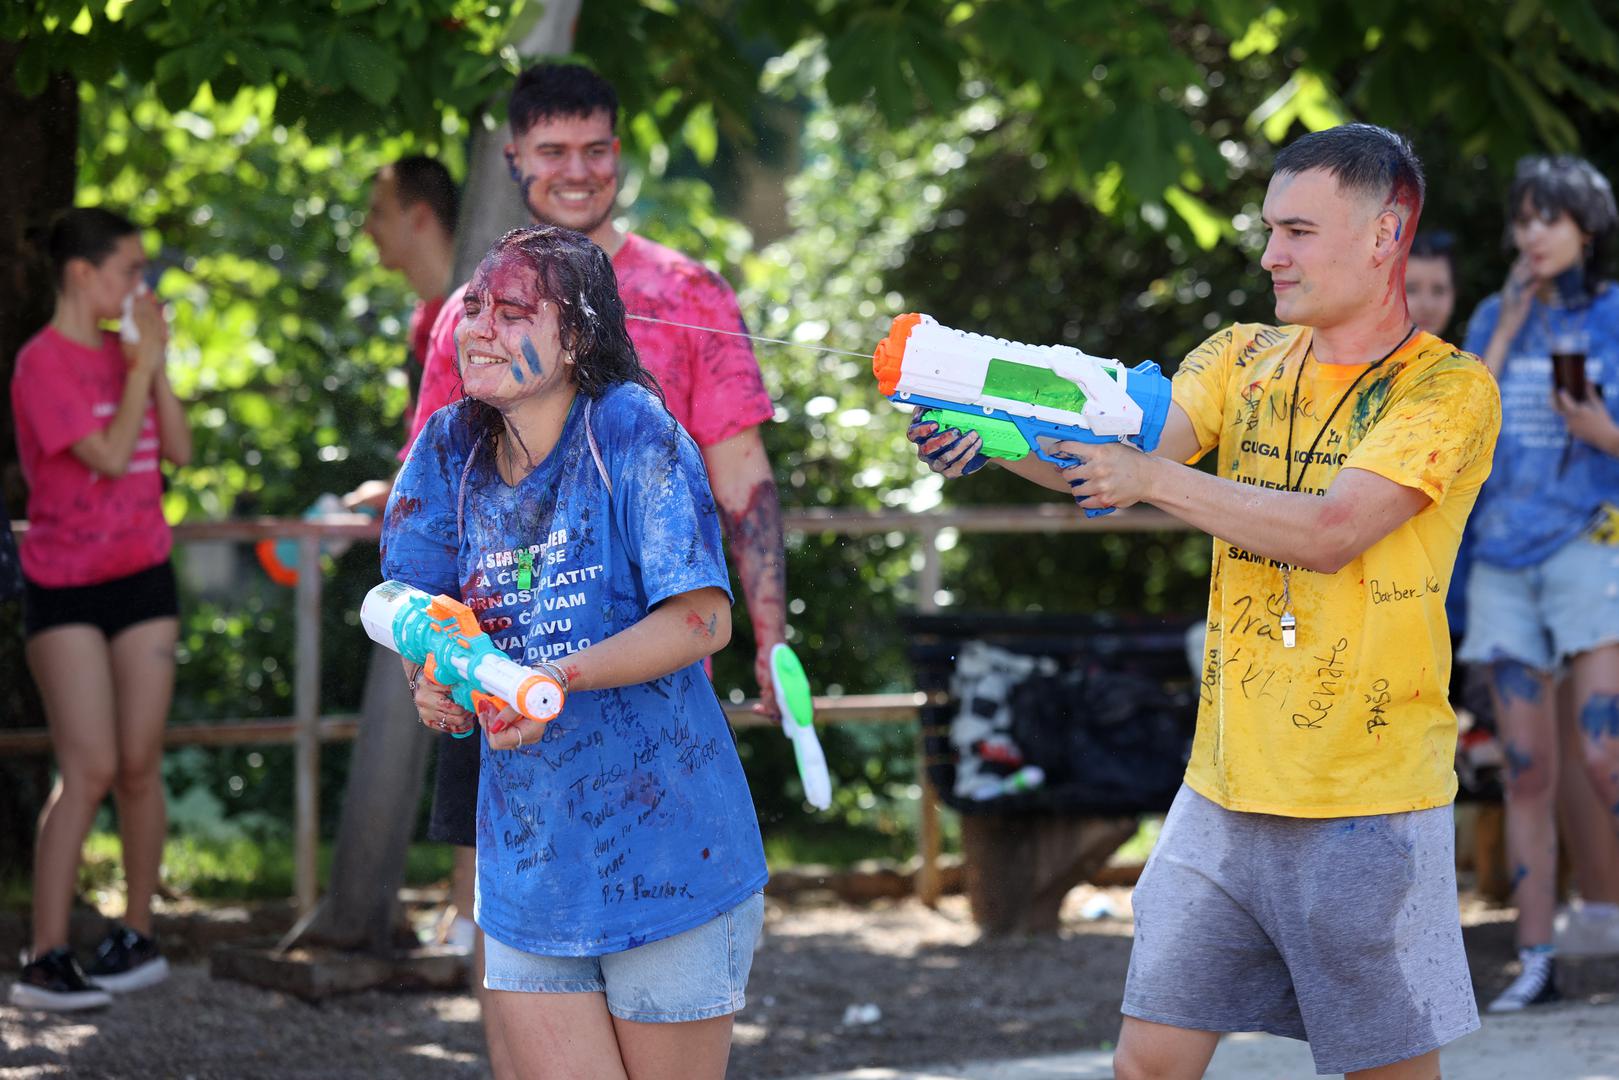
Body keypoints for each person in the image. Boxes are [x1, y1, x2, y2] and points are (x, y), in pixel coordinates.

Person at [916, 124, 1499, 1078]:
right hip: (1219, 791)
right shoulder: (1238, 355)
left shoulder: (1447, 391)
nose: (1271, 254)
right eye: (1270, 228)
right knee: (1145, 1065)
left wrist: (1149, 477)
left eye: (1300, 231)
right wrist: (984, 435)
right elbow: (1100, 467)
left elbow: (1329, 533)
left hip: (1368, 804)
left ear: (1386, 234)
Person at [405, 64, 788, 1069]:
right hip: (523, 810)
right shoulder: (457, 400)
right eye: (475, 312)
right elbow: (425, 566)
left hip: (655, 784)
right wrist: (438, 670)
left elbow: (739, 486)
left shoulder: (644, 401)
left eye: (511, 312)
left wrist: (770, 634)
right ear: (514, 159)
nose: (481, 329)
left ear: (577, 335)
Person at [8, 207, 192, 1011]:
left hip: (143, 575)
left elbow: (178, 453)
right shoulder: (40, 365)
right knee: (87, 769)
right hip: (66, 586)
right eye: (128, 270)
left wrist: (152, 366)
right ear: (84, 275)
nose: (139, 286)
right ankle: (45, 955)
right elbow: (112, 457)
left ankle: (136, 933)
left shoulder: (131, 353)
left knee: (139, 765)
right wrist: (141, 366)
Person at [1456, 154, 1619, 1010]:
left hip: (1592, 548)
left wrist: (1602, 431)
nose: (1531, 234)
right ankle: (1533, 962)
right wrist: (1510, 321)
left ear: (1583, 228)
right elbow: (1456, 424)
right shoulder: (1493, 312)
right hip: (1499, 559)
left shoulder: (1616, 316)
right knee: (1524, 770)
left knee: (1602, 755)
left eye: (1546, 219)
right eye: (1521, 220)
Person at [345, 154, 460, 512]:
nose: (366, 229)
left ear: (420, 217)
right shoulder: (424, 318)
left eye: (379, 212)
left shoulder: (477, 317)